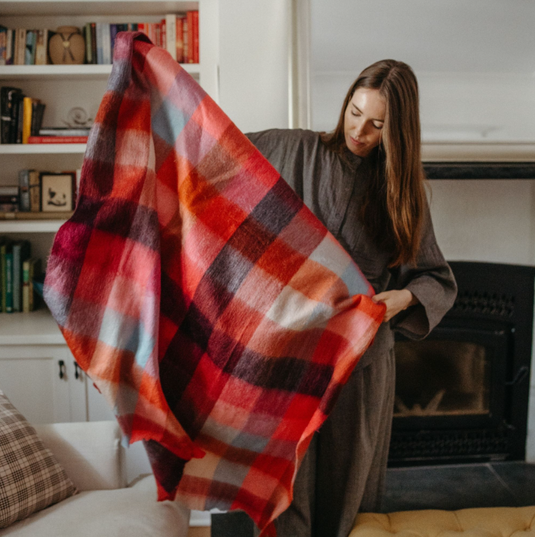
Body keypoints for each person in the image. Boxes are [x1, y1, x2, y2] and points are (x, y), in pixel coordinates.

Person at [246, 59, 458, 537]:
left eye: (377, 124)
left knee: (349, 501)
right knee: (286, 489)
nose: (359, 130)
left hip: (359, 362)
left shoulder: (404, 194)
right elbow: (215, 149)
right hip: (290, 354)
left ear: (398, 130)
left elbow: (436, 279)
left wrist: (397, 302)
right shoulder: (292, 147)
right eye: (354, 112)